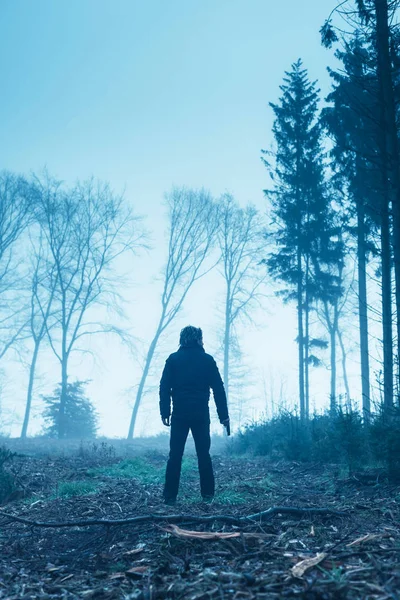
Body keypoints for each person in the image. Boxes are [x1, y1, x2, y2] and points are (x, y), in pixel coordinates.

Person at [159, 325, 230, 504]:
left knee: (175, 455)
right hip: (200, 414)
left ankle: (169, 497)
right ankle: (207, 495)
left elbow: (164, 387)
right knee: (203, 454)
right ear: (198, 339)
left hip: (179, 414)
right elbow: (218, 389)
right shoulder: (207, 360)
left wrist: (165, 411)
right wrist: (224, 415)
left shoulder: (173, 359)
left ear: (182, 339)